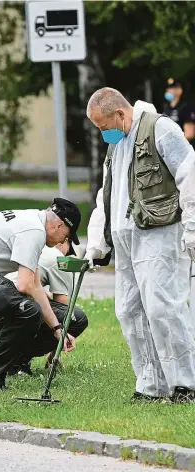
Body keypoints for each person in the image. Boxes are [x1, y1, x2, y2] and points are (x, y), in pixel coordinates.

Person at [85, 87, 195, 403]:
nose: (103, 134)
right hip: (127, 240)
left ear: (120, 114)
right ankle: (151, 384)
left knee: (163, 306)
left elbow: (190, 176)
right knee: (129, 311)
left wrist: (192, 230)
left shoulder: (160, 128)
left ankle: (185, 383)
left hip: (159, 233)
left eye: (104, 126)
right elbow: (105, 196)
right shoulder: (116, 144)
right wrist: (96, 241)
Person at [0, 198, 81, 390]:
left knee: (16, 308)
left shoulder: (30, 220)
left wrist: (57, 328)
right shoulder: (34, 231)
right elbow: (26, 286)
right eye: (67, 235)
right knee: (26, 310)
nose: (63, 241)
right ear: (59, 225)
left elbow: (34, 285)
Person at [163, 78, 195, 149]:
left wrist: (174, 146)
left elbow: (189, 134)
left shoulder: (186, 107)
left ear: (180, 90)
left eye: (173, 88)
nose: (169, 90)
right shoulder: (166, 110)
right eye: (169, 88)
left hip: (185, 150)